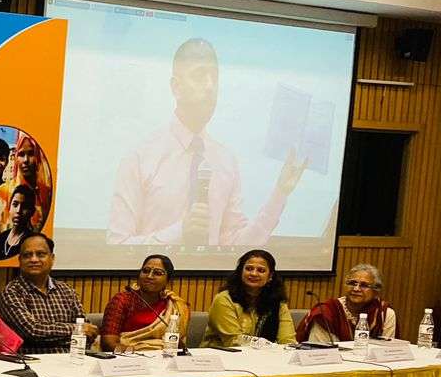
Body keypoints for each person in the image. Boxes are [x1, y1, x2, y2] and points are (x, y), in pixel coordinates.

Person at [107, 38, 308, 248]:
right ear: (176, 87)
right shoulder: (140, 157)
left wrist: (280, 193)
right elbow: (117, 244)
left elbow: (238, 247)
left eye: (215, 77)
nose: (211, 85)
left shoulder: (225, 161)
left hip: (210, 280)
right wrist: (179, 232)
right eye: (200, 75)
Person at [0, 234, 95, 354]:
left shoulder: (66, 290)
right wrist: (75, 330)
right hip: (32, 365)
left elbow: (88, 332)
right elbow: (32, 331)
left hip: (71, 361)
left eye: (40, 254)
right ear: (20, 260)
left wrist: (75, 332)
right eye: (27, 255)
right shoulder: (11, 293)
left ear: (52, 258)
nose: (34, 259)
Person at [203, 248, 296, 347]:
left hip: (265, 356)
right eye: (249, 269)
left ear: (270, 276)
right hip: (224, 356)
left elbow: (288, 340)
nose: (254, 274)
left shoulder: (277, 302)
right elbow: (233, 341)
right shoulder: (224, 299)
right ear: (240, 272)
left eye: (261, 270)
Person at [101, 254, 192, 353]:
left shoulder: (174, 305)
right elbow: (108, 343)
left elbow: (178, 344)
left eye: (157, 273)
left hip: (164, 356)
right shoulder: (123, 300)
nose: (149, 276)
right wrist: (136, 353)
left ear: (168, 280)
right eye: (146, 271)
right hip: (129, 359)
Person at [299, 264, 398, 343]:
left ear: (376, 291)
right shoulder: (327, 311)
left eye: (364, 285)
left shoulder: (384, 313)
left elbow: (386, 350)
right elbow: (320, 350)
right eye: (352, 283)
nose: (356, 289)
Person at [0, 132, 53, 234]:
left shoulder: (46, 194)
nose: (26, 160)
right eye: (21, 154)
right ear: (16, 158)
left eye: (31, 153)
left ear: (38, 157)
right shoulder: (1, 193)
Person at [0, 184, 37, 259]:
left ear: (32, 211)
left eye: (24, 207)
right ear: (9, 207)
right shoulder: (3, 237)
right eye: (15, 205)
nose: (18, 210)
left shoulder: (31, 241)